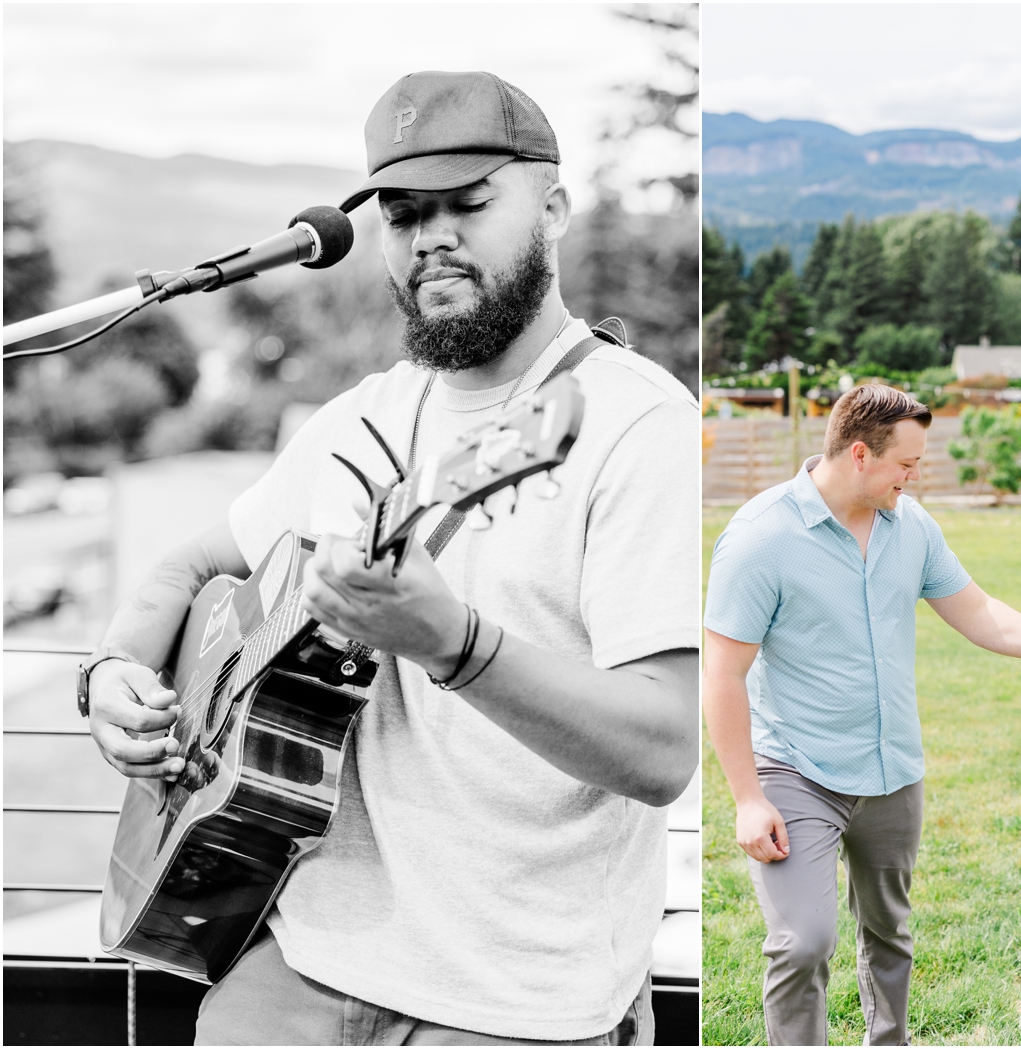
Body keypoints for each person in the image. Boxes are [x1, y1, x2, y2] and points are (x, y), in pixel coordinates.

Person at [82, 70, 698, 1046]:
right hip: (298, 962)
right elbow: (184, 568)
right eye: (405, 213)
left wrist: (451, 641)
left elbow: (663, 750)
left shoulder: (635, 424)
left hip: (523, 998)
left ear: (555, 206)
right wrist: (111, 674)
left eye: (468, 204)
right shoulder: (360, 417)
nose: (433, 236)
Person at [702, 383, 1021, 1046]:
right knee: (802, 940)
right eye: (907, 463)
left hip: (893, 768)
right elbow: (722, 672)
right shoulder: (762, 538)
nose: (917, 474)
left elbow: (977, 610)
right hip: (797, 770)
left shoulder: (912, 526)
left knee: (889, 932)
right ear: (859, 454)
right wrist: (746, 797)